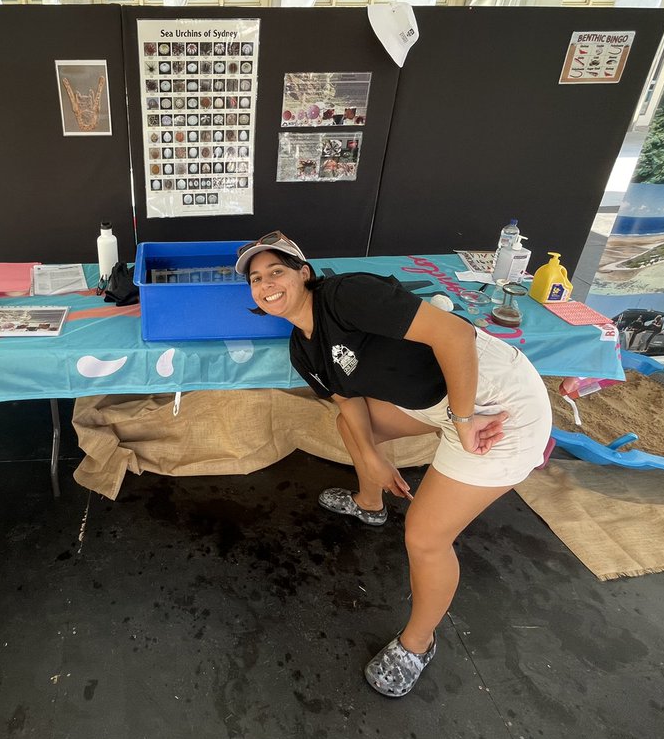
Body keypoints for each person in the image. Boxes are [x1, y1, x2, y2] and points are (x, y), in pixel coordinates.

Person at [234, 231, 551, 699]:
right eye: (256, 279)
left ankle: (418, 644)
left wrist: (462, 421)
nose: (266, 284)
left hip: (497, 406)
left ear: (304, 273)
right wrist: (374, 460)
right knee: (353, 430)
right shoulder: (304, 348)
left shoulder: (345, 296)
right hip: (437, 405)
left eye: (276, 270)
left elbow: (456, 333)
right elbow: (350, 404)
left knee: (425, 537)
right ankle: (369, 502)